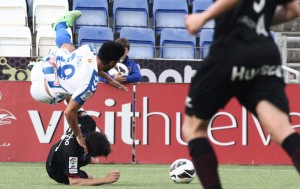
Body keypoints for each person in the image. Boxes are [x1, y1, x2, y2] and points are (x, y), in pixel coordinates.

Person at [183, 0, 300, 188]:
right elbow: (294, 10)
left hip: (230, 50)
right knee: (282, 130)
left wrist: (203, 17)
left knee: (193, 129)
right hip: (264, 53)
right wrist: (257, 20)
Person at [29, 10, 127, 154]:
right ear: (112, 62)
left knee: (68, 48)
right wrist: (79, 136)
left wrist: (109, 79)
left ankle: (60, 25)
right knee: (73, 95)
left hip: (41, 68)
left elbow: (93, 66)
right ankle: (59, 26)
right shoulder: (89, 85)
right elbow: (69, 113)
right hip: (40, 92)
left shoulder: (88, 50)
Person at [46, 109, 120, 186]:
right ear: (87, 151)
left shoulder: (89, 123)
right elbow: (74, 182)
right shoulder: (72, 154)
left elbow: (76, 109)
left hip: (60, 150)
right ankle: (86, 160)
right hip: (56, 169)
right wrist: (106, 179)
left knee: (86, 165)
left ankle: (87, 159)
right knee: (89, 177)